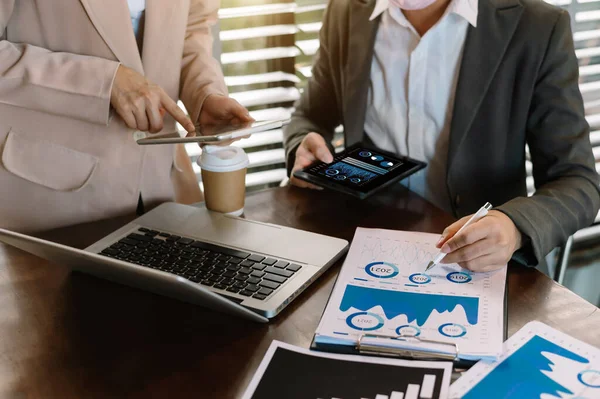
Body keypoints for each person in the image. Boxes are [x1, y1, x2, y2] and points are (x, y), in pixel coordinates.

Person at [284, 0, 600, 272]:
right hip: (366, 247)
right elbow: (309, 116)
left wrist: (514, 226)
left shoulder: (537, 26)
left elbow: (578, 182)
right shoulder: (347, 10)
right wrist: (303, 144)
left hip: (477, 266)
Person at [0, 0, 251, 232]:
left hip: (164, 191)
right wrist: (104, 83)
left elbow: (191, 28)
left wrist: (204, 92)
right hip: (50, 207)